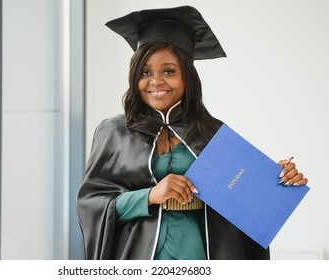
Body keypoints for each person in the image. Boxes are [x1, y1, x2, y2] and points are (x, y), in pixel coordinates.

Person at [76, 6, 308, 260]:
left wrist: (279, 180)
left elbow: (245, 198)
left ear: (187, 75)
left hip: (203, 255)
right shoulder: (112, 132)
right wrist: (151, 195)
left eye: (169, 71)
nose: (156, 81)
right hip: (138, 257)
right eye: (145, 72)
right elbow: (92, 204)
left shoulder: (213, 132)